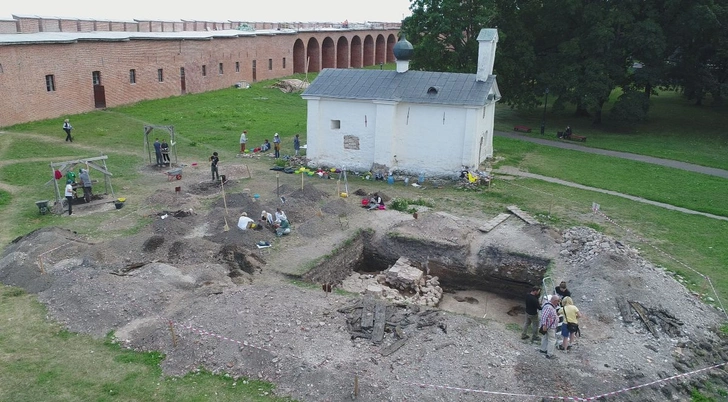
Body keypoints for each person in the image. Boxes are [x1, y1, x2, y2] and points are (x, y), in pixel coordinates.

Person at [539, 295, 560, 359]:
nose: (558, 303)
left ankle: (543, 349)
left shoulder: (550, 306)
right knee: (552, 340)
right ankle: (550, 354)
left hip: (549, 326)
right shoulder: (549, 307)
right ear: (555, 301)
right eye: (558, 301)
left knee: (545, 337)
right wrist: (544, 325)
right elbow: (544, 316)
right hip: (550, 326)